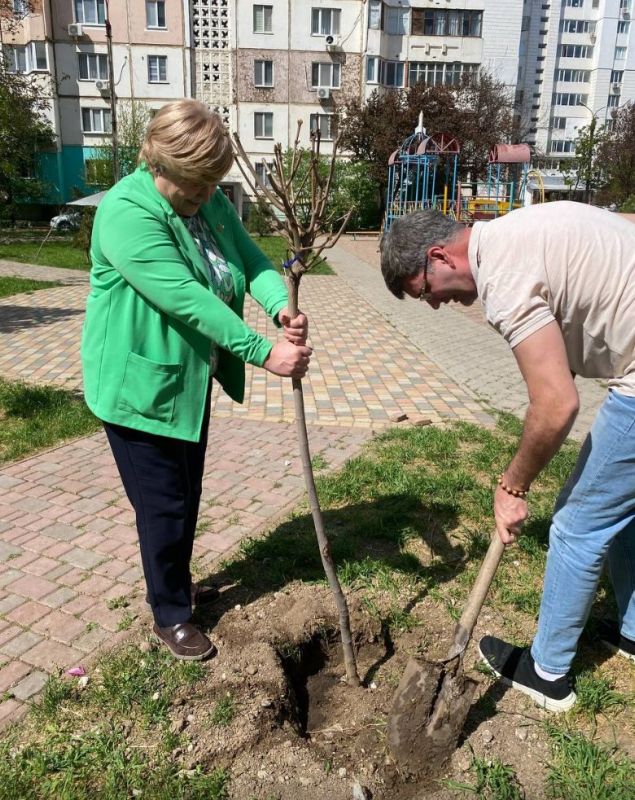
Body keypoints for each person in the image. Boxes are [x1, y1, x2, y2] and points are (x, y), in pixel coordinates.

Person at [380, 202, 635, 711]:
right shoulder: (513, 235)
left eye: (424, 291)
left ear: (439, 257)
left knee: (577, 525)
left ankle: (548, 673)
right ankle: (633, 631)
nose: (434, 305)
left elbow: (557, 404)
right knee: (619, 509)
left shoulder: (504, 278)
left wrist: (513, 486)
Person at [81, 100, 311, 661]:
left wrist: (280, 304)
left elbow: (250, 259)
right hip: (138, 388)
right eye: (198, 184)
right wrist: (263, 351)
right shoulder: (126, 212)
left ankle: (178, 584)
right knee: (163, 505)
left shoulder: (205, 202)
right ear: (160, 163)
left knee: (186, 494)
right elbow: (186, 299)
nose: (208, 195)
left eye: (213, 183)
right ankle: (170, 613)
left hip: (186, 380)